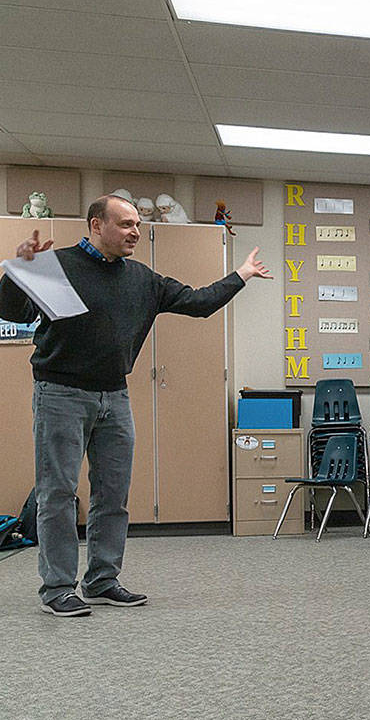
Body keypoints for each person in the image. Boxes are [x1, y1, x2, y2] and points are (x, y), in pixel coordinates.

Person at [1, 198, 271, 616]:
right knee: (57, 493)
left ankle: (102, 579)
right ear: (96, 224)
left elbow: (198, 304)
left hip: (115, 395)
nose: (134, 232)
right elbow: (10, 310)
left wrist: (241, 275)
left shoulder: (142, 279)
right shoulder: (59, 265)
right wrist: (19, 270)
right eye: (125, 224)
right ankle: (57, 589)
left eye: (137, 225)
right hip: (61, 394)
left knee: (114, 494)